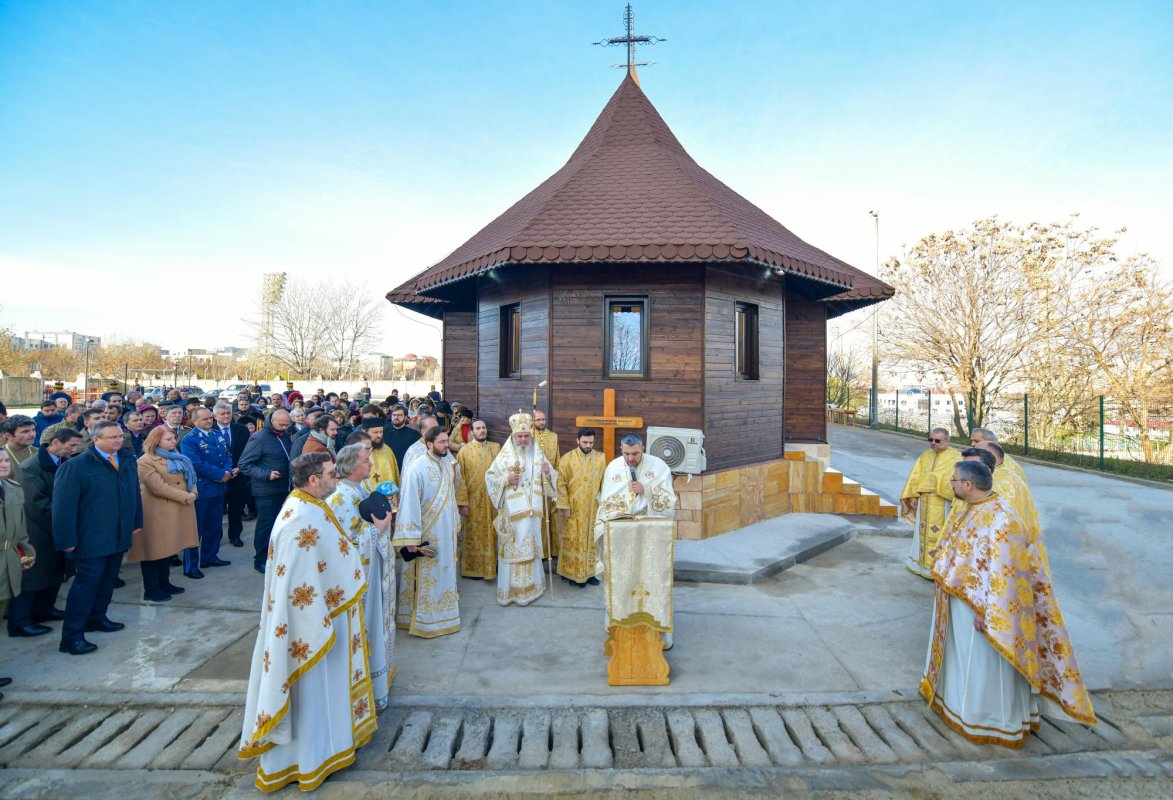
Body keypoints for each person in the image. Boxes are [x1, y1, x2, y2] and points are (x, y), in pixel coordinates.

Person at [920, 460, 1096, 746]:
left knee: (985, 668)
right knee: (965, 663)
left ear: (968, 485)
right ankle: (959, 709)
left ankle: (989, 722)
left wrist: (990, 613)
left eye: (953, 480)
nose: (950, 484)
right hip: (963, 601)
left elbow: (1008, 575)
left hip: (984, 612)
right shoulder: (971, 507)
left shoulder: (1002, 519)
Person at [238, 453, 376, 792]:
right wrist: (318, 618)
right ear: (313, 480)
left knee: (324, 695)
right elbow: (298, 588)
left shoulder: (311, 505)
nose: (335, 477)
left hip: (330, 613)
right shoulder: (299, 518)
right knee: (313, 695)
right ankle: (311, 759)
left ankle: (328, 748)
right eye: (330, 474)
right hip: (311, 627)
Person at [52, 421, 143, 656]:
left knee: (107, 580)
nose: (117, 441)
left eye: (120, 437)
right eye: (111, 437)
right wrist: (66, 539)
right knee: (86, 585)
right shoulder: (77, 466)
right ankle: (72, 637)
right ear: (95, 439)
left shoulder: (126, 460)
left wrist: (136, 521)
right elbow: (63, 507)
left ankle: (97, 617)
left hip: (118, 534)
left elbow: (134, 493)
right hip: (90, 538)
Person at [594, 433, 677, 650]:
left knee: (654, 578)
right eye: (626, 453)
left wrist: (646, 490)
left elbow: (669, 503)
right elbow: (605, 502)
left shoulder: (658, 467)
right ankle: (618, 624)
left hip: (650, 537)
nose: (630, 458)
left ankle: (658, 631)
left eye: (635, 453)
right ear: (621, 449)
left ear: (643, 448)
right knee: (620, 578)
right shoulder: (613, 467)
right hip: (621, 537)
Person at [329, 443, 396, 710]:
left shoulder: (359, 488)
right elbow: (343, 542)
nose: (371, 464)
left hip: (372, 569)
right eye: (367, 461)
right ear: (352, 466)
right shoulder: (341, 497)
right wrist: (379, 528)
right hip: (359, 577)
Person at [9, 428, 82, 636]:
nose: (74, 450)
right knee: (33, 576)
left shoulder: (63, 462)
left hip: (57, 527)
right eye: (71, 446)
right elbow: (35, 504)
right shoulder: (31, 467)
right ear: (56, 443)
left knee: (54, 571)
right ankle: (20, 621)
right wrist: (63, 522)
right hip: (38, 530)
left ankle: (45, 610)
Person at [393, 425, 463, 637]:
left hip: (446, 531)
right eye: (441, 442)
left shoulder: (446, 463)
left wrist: (455, 523)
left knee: (444, 572)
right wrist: (411, 538)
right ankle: (425, 621)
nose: (446, 446)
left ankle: (444, 613)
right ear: (429, 444)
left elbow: (450, 497)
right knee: (425, 576)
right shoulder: (418, 467)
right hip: (427, 533)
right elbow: (409, 503)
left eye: (447, 441)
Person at [484, 411, 557, 607]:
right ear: (513, 436)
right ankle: (510, 592)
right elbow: (490, 478)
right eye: (519, 436)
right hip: (512, 515)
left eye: (526, 436)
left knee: (531, 551)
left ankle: (532, 589)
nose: (523, 439)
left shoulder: (538, 452)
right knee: (513, 551)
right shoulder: (504, 456)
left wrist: (548, 472)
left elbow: (553, 479)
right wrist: (505, 480)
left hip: (532, 513)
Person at [130, 426, 198, 601]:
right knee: (153, 552)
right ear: (156, 441)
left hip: (177, 508)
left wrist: (194, 493)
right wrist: (186, 497)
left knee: (169, 549)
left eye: (174, 438)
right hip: (157, 512)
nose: (173, 442)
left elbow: (190, 477)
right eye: (168, 439)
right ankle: (151, 589)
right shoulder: (145, 461)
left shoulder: (179, 457)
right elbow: (157, 487)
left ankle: (165, 583)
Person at [900, 427, 962, 579]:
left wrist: (933, 481)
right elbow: (916, 476)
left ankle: (938, 569)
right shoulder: (925, 456)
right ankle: (920, 565)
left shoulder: (956, 457)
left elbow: (955, 482)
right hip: (925, 502)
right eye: (930, 440)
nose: (933, 443)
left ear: (947, 441)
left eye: (937, 440)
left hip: (944, 503)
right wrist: (914, 497)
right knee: (922, 535)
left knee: (942, 535)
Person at [238, 409, 293, 574]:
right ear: (272, 420)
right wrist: (266, 474)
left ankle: (276, 556)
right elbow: (244, 464)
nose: (284, 427)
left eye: (286, 424)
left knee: (281, 526)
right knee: (266, 525)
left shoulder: (284, 435)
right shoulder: (259, 438)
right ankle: (260, 559)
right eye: (281, 424)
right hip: (266, 490)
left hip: (284, 488)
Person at [1, 449, 37, 697]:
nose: (4, 463)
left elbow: (21, 527)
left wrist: (26, 551)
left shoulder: (11, 487)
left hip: (9, 560)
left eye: (5, 459)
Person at [181, 407, 233, 575]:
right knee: (196, 529)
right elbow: (195, 463)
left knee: (214, 526)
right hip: (202, 489)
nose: (209, 421)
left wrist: (228, 472)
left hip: (218, 489)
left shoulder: (217, 435)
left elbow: (227, 456)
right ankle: (192, 566)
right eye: (205, 419)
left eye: (210, 418)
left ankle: (210, 557)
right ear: (195, 421)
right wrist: (219, 475)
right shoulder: (189, 439)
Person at [556, 428, 607, 586]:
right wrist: (564, 506)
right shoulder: (567, 458)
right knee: (573, 540)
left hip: (592, 508)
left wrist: (603, 505)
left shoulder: (600, 458)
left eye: (591, 442)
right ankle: (571, 573)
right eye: (585, 442)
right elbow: (561, 484)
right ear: (577, 441)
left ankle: (590, 573)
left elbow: (604, 483)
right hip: (573, 507)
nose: (588, 445)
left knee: (591, 541)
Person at [454, 419, 500, 579]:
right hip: (472, 502)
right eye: (478, 428)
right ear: (472, 432)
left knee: (492, 533)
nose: (482, 431)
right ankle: (473, 569)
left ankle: (491, 566)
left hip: (492, 501)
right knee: (472, 534)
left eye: (484, 427)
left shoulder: (496, 448)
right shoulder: (464, 451)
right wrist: (462, 503)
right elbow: (459, 480)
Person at [212, 402, 250, 547]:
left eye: (228, 413)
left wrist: (239, 468)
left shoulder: (241, 430)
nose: (226, 416)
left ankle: (235, 535)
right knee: (217, 510)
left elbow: (247, 451)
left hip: (238, 475)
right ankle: (217, 537)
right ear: (215, 416)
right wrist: (221, 472)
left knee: (236, 508)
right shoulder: (211, 431)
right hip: (218, 477)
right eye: (222, 414)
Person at [532, 410, 561, 556]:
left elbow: (557, 460)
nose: (541, 422)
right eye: (538, 420)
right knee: (539, 518)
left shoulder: (553, 436)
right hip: (534, 483)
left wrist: (554, 479)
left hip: (550, 481)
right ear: (533, 420)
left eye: (543, 419)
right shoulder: (528, 436)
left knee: (551, 517)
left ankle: (552, 551)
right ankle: (539, 551)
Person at [363, 419, 400, 490]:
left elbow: (395, 474)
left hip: (390, 496)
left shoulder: (387, 450)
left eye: (381, 432)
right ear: (365, 432)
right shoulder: (358, 452)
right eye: (375, 432)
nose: (379, 435)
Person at [384, 404, 420, 471]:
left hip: (407, 469)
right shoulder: (384, 432)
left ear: (405, 417)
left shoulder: (414, 434)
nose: (396, 417)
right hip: (388, 469)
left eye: (399, 415)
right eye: (394, 415)